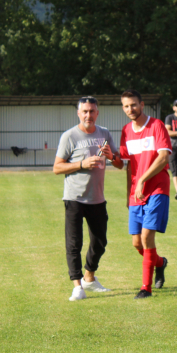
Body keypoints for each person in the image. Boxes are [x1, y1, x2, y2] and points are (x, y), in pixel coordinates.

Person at [53, 96, 120, 302]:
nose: (88, 115)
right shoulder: (69, 136)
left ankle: (89, 277)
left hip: (97, 198)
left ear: (97, 113)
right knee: (74, 243)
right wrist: (82, 164)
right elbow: (57, 167)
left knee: (100, 242)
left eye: (92, 111)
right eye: (84, 111)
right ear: (78, 113)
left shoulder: (105, 133)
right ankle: (77, 286)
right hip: (74, 198)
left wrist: (111, 157)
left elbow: (119, 164)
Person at [117, 89, 173, 299]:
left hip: (157, 188)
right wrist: (128, 194)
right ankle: (160, 262)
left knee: (147, 236)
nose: (130, 109)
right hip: (136, 194)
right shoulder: (125, 131)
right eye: (126, 106)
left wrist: (142, 179)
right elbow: (127, 164)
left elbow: (163, 157)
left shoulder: (156, 126)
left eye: (133, 105)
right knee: (137, 243)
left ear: (141, 104)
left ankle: (145, 288)